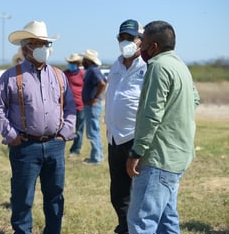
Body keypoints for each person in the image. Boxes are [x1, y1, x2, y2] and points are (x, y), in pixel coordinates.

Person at [0, 20, 76, 234]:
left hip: (55, 145)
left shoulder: (58, 75)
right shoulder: (11, 76)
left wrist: (64, 133)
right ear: (26, 47)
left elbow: (71, 106)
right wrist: (11, 135)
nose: (43, 48)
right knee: (22, 197)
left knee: (55, 196)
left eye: (45, 43)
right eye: (37, 43)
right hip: (25, 146)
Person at [126, 21, 200, 234]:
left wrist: (136, 151)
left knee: (142, 222)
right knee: (166, 221)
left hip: (158, 158)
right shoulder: (179, 65)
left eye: (144, 43)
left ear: (154, 46)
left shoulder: (158, 67)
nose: (140, 49)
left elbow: (151, 115)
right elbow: (194, 99)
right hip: (177, 156)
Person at [104, 19, 146, 234]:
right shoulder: (117, 64)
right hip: (114, 139)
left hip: (134, 139)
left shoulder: (148, 67)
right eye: (121, 38)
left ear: (141, 40)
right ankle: (125, 227)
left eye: (130, 38)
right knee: (118, 193)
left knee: (138, 194)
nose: (125, 42)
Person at [81, 49, 106, 164]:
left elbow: (102, 83)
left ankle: (97, 157)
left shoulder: (93, 70)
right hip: (91, 105)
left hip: (92, 105)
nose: (82, 61)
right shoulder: (93, 70)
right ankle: (96, 155)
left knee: (92, 132)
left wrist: (95, 97)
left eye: (84, 59)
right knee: (93, 131)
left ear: (88, 60)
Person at [63, 53, 86, 156]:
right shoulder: (64, 74)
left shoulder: (82, 74)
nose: (71, 64)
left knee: (79, 129)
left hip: (80, 105)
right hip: (66, 106)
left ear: (78, 64)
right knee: (63, 127)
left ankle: (76, 149)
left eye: (73, 63)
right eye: (70, 63)